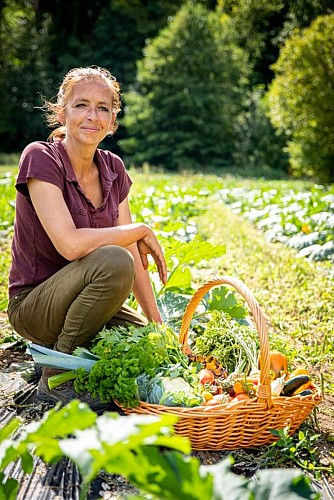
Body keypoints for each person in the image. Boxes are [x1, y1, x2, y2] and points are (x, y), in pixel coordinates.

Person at [7, 66, 167, 413]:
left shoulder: (113, 168)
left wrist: (158, 326)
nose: (92, 116)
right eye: (81, 105)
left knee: (147, 349)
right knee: (114, 261)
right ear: (62, 112)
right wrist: (139, 230)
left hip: (86, 301)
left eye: (103, 108)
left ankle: (62, 353)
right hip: (35, 305)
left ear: (113, 121)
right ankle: (57, 376)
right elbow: (71, 245)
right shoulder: (41, 158)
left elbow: (131, 256)